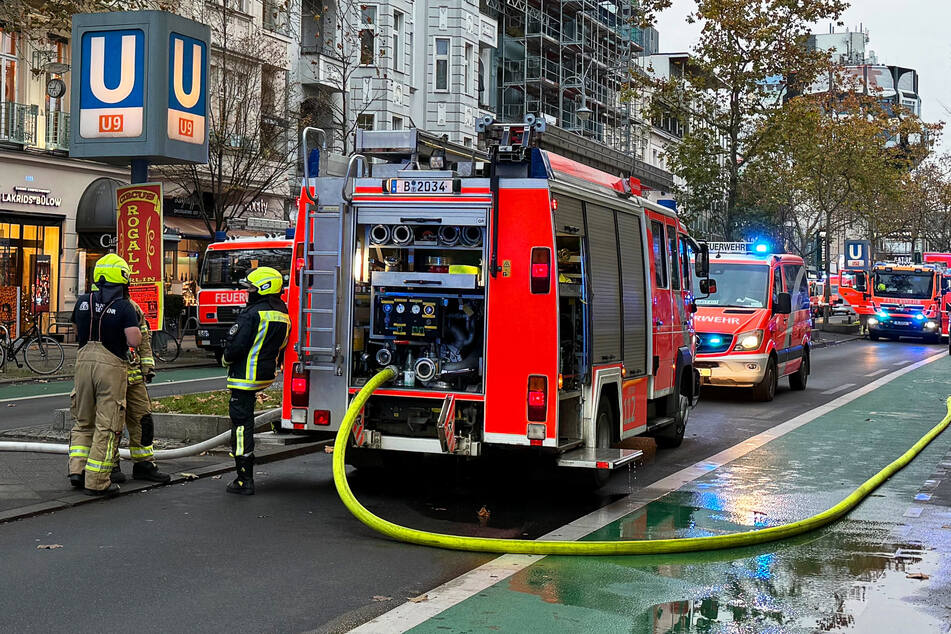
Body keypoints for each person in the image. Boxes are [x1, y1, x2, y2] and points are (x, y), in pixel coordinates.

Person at [68, 254, 141, 496]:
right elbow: (133, 340)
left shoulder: (83, 301)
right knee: (107, 425)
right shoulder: (124, 307)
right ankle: (97, 481)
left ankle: (77, 471)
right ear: (122, 279)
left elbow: (76, 329)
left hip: (82, 364)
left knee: (83, 421)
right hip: (111, 367)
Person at [222, 266, 289, 495]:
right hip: (265, 374)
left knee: (241, 428)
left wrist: (226, 358)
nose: (247, 292)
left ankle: (244, 479)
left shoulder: (251, 314)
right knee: (246, 424)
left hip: (244, 378)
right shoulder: (283, 314)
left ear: (263, 288)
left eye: (251, 288)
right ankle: (244, 475)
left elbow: (236, 347)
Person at [110, 299, 171, 484]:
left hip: (134, 376)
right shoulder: (98, 305)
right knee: (111, 423)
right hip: (111, 376)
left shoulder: (133, 307)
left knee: (143, 420)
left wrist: (147, 367)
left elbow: (143, 338)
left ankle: (144, 464)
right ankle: (110, 465)